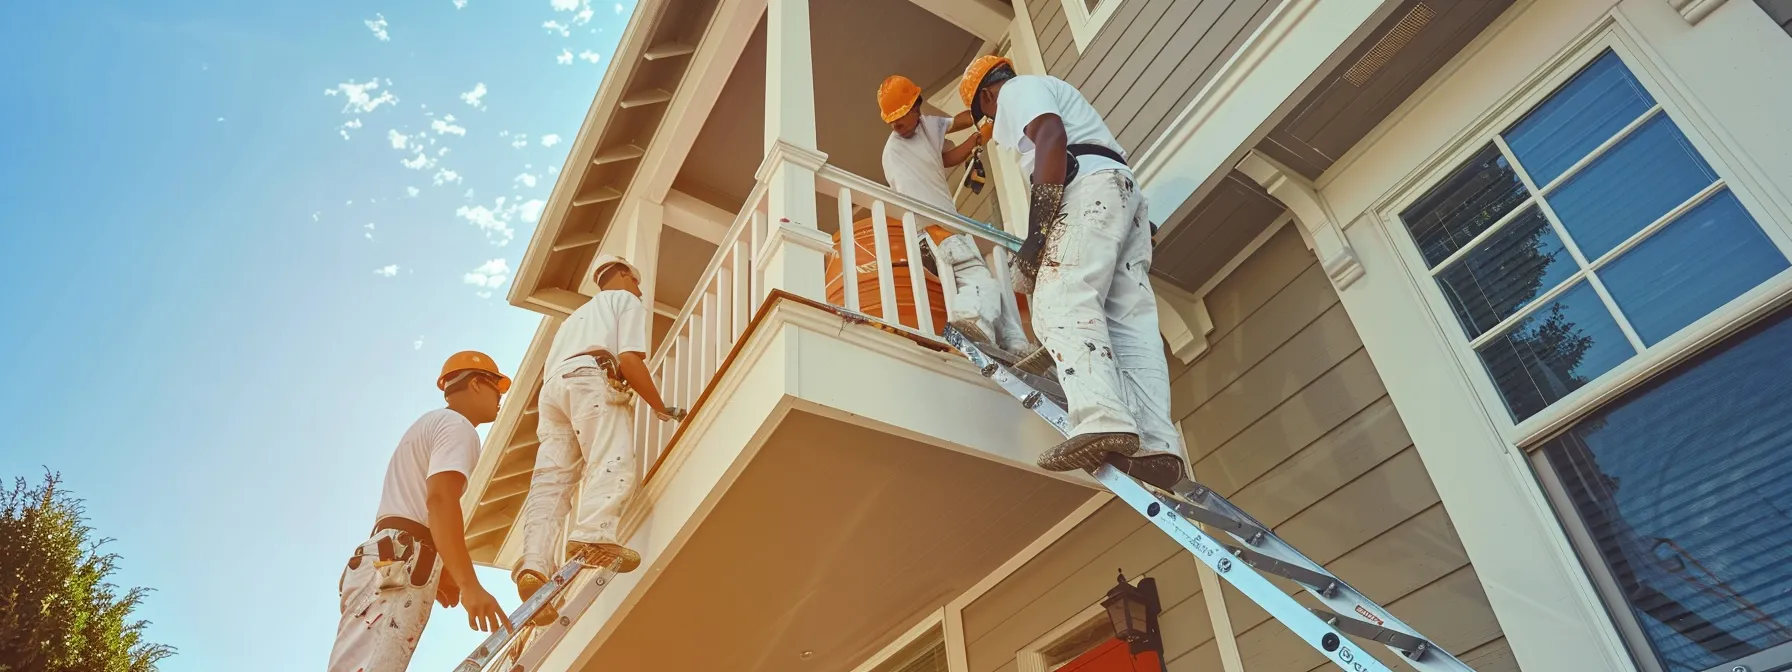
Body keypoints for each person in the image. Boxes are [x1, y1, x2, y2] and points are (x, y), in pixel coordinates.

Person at [959, 55, 1186, 487]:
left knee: (1059, 300)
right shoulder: (1054, 93)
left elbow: (1051, 138)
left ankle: (1101, 416)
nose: (992, 124)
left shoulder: (1015, 91)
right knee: (1129, 324)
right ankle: (1159, 446)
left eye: (984, 116)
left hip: (1087, 189)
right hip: (1120, 194)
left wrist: (1036, 238)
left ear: (988, 95)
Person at [511, 255, 685, 626]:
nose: (640, 289)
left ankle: (534, 565)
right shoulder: (625, 301)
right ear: (623, 275)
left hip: (554, 392)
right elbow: (630, 360)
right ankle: (593, 533)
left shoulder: (574, 319)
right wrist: (659, 407)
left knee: (551, 485)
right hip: (590, 378)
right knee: (611, 456)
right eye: (637, 281)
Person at [328, 351, 513, 672]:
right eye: (497, 389)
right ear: (477, 384)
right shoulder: (458, 427)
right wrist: (470, 585)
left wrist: (446, 569)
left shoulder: (429, 424)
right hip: (402, 559)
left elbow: (413, 509)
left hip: (384, 560)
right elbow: (440, 501)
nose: (499, 399)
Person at [877, 75, 1037, 361]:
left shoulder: (926, 126)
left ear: (916, 108)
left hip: (950, 227)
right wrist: (936, 231)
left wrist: (980, 130)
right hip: (935, 229)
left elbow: (951, 148)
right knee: (982, 283)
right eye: (891, 120)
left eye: (900, 116)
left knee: (989, 285)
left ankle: (1016, 346)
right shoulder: (895, 151)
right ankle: (970, 329)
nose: (895, 125)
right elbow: (913, 203)